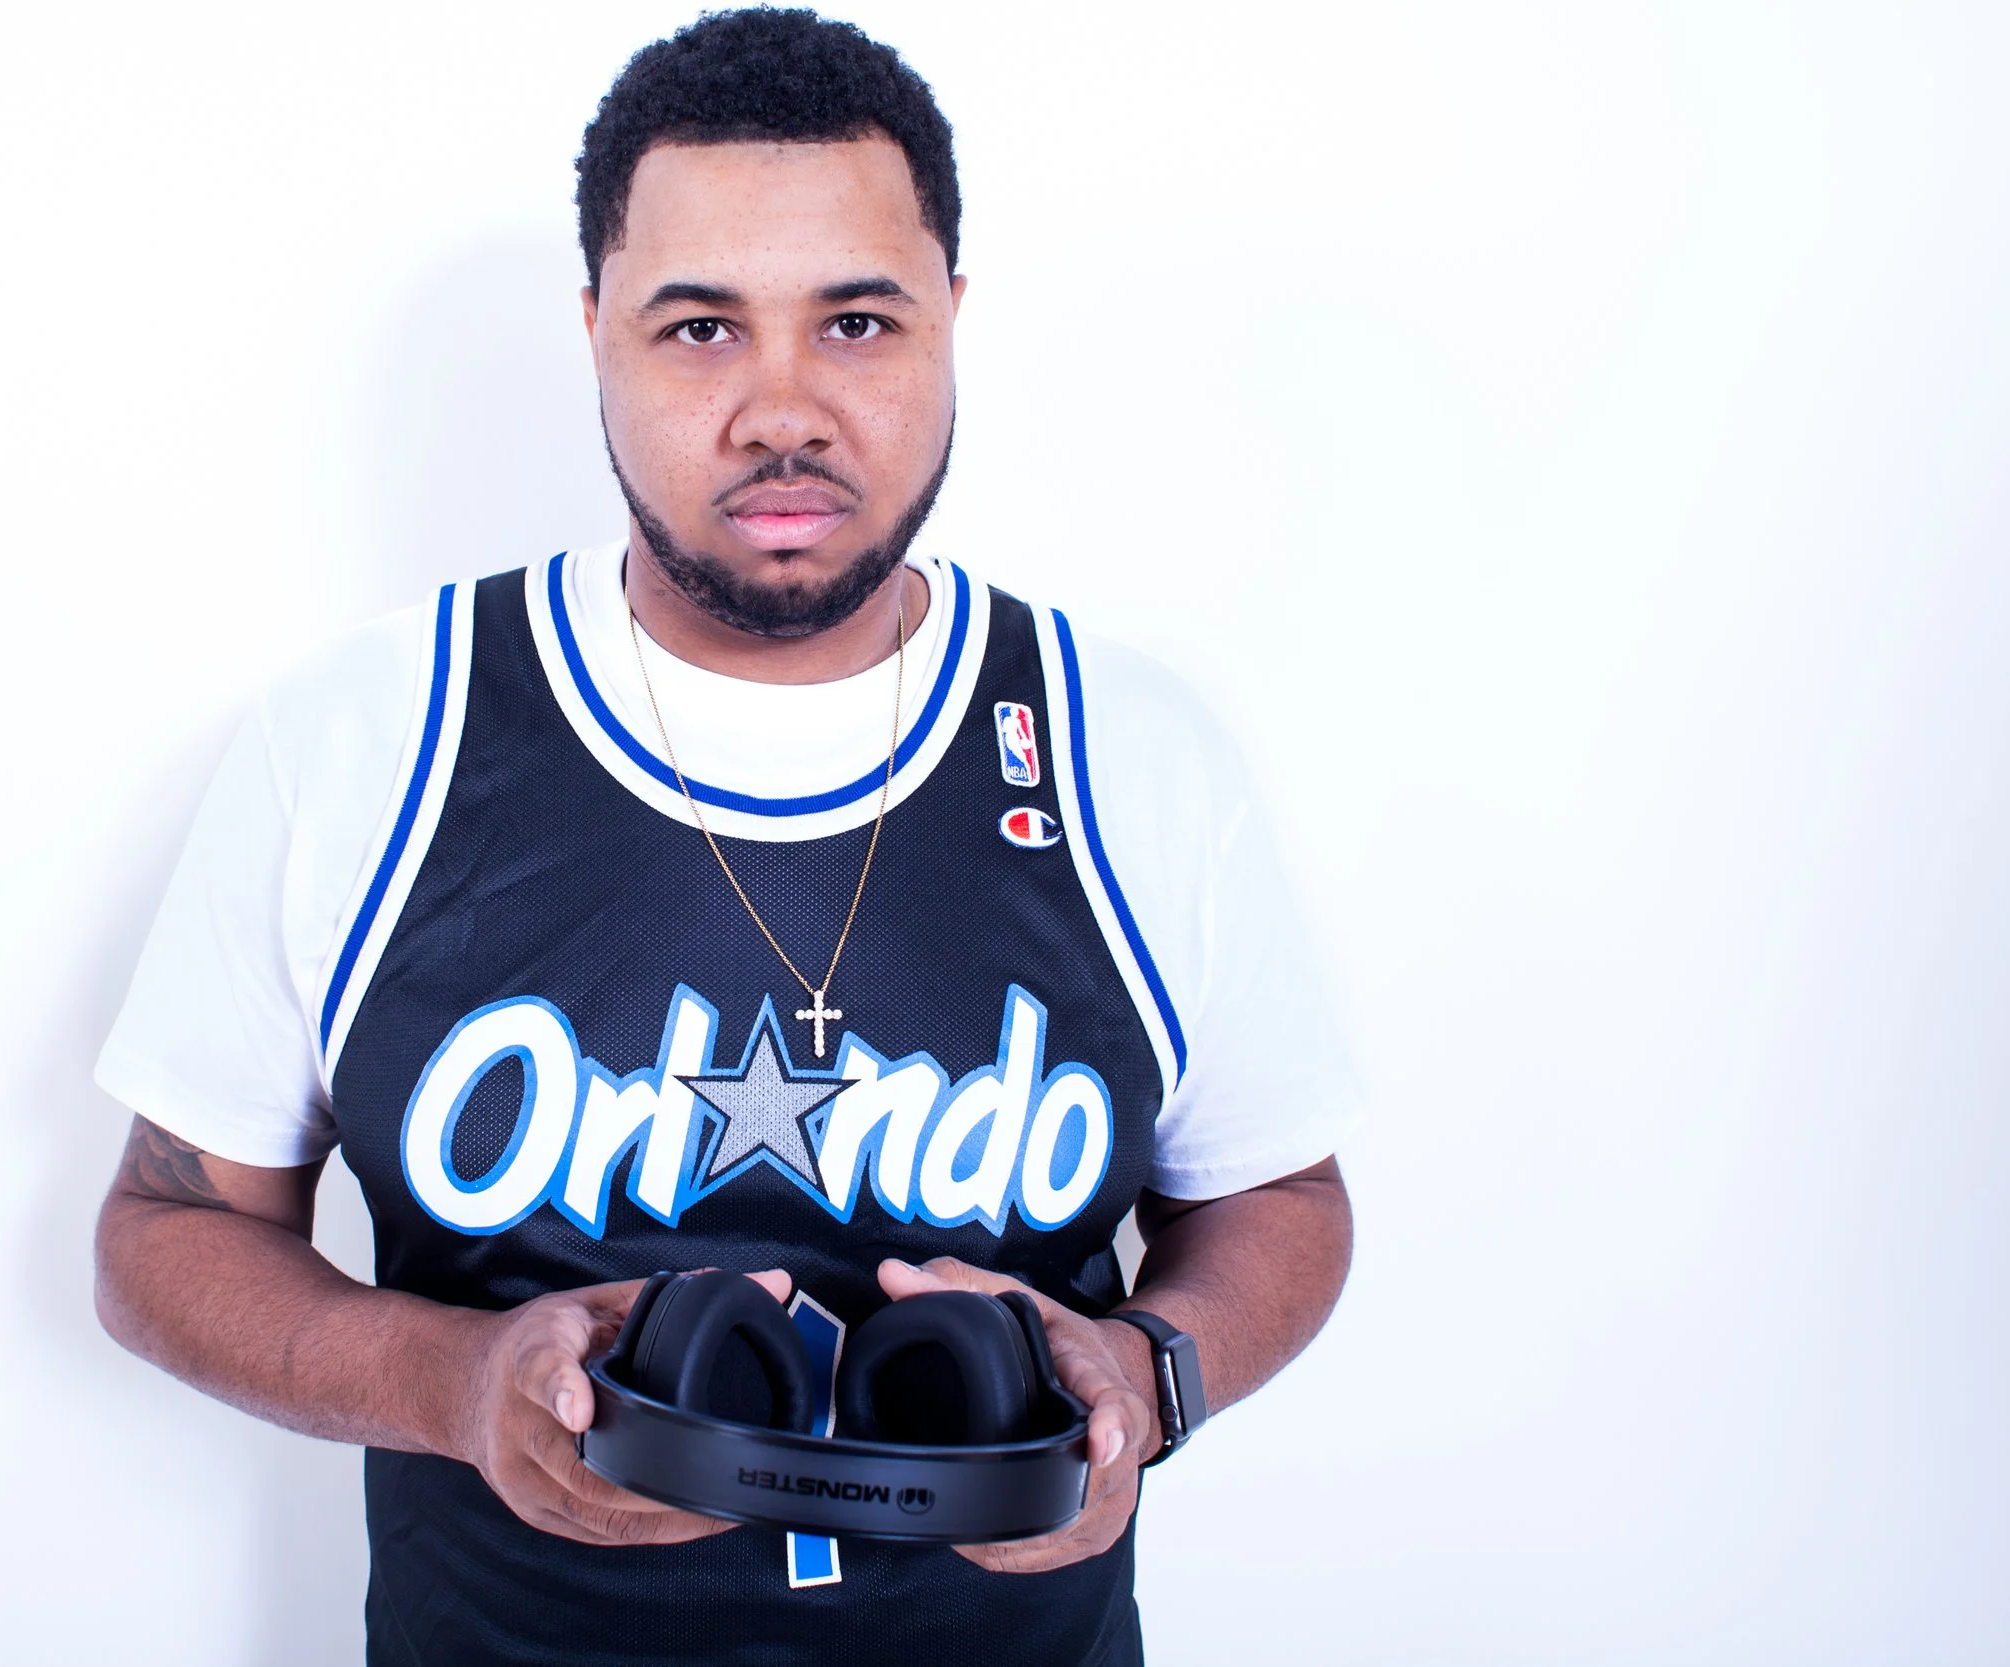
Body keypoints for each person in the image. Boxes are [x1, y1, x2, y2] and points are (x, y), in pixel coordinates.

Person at [92, 9, 1358, 1663]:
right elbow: (164, 1234)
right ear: (595, 333)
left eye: (856, 321)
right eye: (700, 327)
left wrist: (1148, 1372)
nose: (782, 409)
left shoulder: (1131, 747)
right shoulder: (363, 738)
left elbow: (1281, 1195)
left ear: (953, 322)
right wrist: (454, 1382)